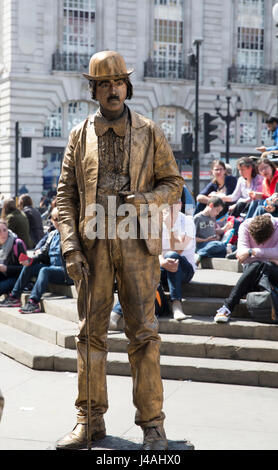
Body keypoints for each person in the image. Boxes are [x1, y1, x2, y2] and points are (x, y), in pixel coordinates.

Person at [55, 50, 184, 451]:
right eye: (105, 83)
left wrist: (145, 200)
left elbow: (175, 184)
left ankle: (152, 427)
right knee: (89, 335)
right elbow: (64, 197)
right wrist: (69, 247)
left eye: (119, 82)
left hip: (136, 240)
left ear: (128, 86)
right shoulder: (79, 135)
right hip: (92, 241)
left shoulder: (149, 130)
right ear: (93, 89)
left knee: (144, 335)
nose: (113, 90)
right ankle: (89, 422)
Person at [110, 202, 196, 326]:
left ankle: (176, 303)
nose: (169, 208)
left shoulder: (187, 221)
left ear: (180, 205)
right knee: (141, 271)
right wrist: (162, 262)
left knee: (172, 255)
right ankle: (116, 312)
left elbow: (178, 249)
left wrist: (169, 226)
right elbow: (155, 250)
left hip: (183, 270)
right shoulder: (157, 222)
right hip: (162, 267)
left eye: (173, 204)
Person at [0, 208, 73, 313]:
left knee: (44, 270)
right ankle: (14, 297)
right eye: (55, 219)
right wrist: (30, 261)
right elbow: (43, 254)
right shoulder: (52, 234)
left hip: (66, 272)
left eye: (61, 218)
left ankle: (33, 302)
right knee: (30, 265)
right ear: (52, 220)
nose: (58, 222)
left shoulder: (70, 235)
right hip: (52, 269)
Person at [214, 214, 278, 323]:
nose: (261, 244)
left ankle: (227, 307)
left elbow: (247, 255)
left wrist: (252, 251)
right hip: (253, 270)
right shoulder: (245, 226)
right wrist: (269, 256)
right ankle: (227, 307)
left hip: (272, 272)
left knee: (262, 265)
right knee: (258, 265)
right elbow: (241, 257)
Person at [0, 219, 27, 298]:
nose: (3, 234)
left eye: (5, 230)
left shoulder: (17, 243)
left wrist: (7, 268)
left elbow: (25, 268)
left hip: (16, 278)